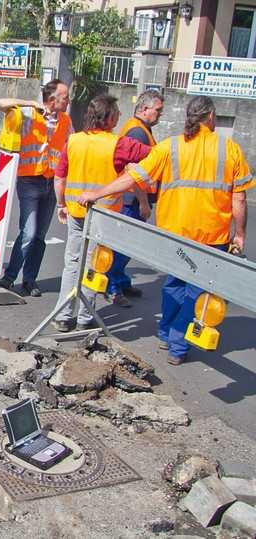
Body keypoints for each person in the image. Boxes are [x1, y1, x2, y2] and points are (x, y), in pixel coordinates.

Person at [78, 96, 253, 365]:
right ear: (210, 117)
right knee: (197, 290)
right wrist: (239, 233)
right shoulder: (229, 149)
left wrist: (97, 193)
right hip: (211, 234)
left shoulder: (170, 147)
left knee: (174, 282)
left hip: (173, 232)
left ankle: (165, 331)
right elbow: (239, 199)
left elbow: (132, 177)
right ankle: (177, 343)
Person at [52, 94, 151, 333]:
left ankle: (63, 316)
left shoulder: (74, 141)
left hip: (76, 212)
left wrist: (61, 205)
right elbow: (153, 155)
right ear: (109, 118)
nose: (118, 116)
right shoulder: (119, 144)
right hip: (103, 215)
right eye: (116, 113)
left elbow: (59, 177)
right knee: (94, 266)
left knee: (72, 263)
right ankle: (86, 317)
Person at [0, 79, 73, 297]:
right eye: (65, 97)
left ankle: (30, 279)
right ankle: (9, 278)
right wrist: (29, 102)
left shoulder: (65, 121)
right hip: (29, 181)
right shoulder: (29, 113)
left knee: (39, 236)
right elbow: (1, 103)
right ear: (51, 99)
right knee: (27, 233)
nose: (68, 101)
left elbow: (73, 146)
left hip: (51, 183)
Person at [105, 89, 164, 307]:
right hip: (132, 199)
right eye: (157, 110)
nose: (160, 114)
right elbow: (133, 171)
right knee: (122, 246)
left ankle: (120, 280)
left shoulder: (141, 129)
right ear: (143, 109)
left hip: (133, 198)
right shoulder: (137, 132)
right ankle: (112, 286)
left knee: (125, 246)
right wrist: (143, 201)